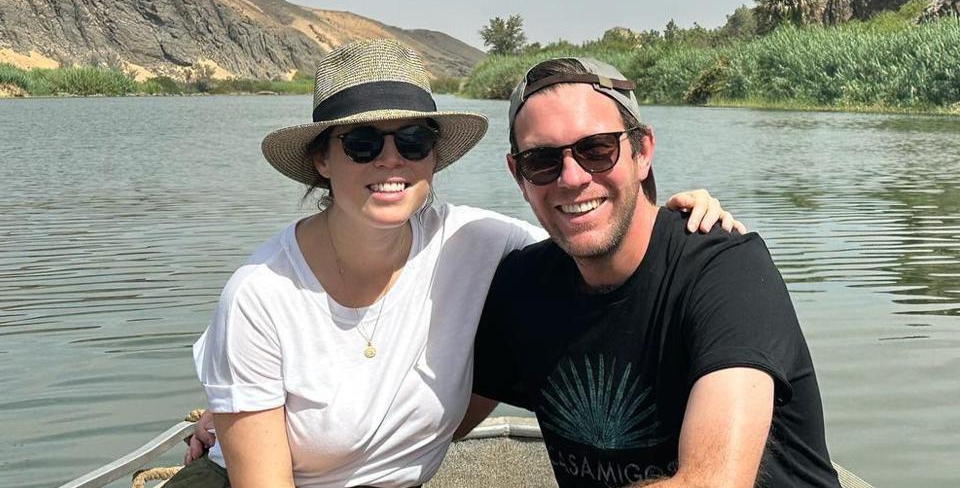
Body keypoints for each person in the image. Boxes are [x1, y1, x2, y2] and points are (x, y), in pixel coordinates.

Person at [169, 39, 741, 488]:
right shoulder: (261, 295)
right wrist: (236, 408)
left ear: (434, 156)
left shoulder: (478, 243)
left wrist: (676, 219)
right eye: (363, 143)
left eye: (413, 140)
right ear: (322, 158)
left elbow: (594, 234)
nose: (391, 160)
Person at [468, 57, 841, 487]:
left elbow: (713, 484)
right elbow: (430, 427)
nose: (571, 178)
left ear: (642, 152)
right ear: (519, 175)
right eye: (542, 160)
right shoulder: (523, 289)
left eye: (597, 149)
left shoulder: (726, 270)